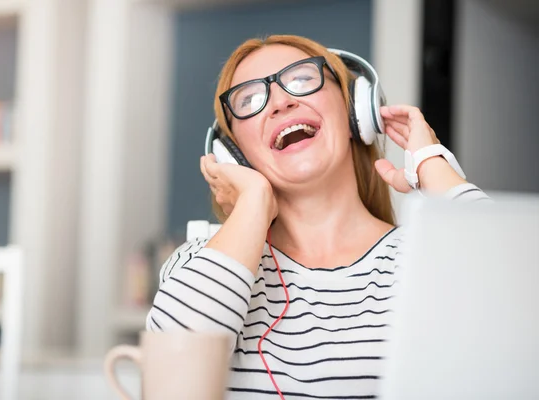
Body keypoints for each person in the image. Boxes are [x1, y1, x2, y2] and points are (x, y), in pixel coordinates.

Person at [146, 35, 489, 399]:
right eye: (249, 100)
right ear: (234, 155)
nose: (280, 102)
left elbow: (516, 296)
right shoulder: (199, 261)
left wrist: (432, 165)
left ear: (355, 110)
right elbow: (169, 387)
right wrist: (253, 203)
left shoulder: (430, 259)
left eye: (301, 80)